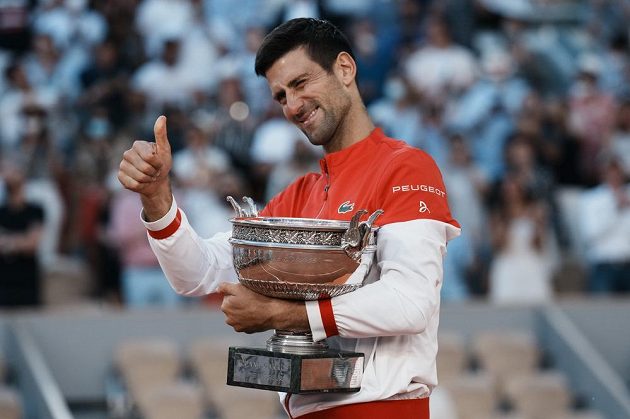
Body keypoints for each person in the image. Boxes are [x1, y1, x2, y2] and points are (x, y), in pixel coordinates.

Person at [118, 18, 460, 418]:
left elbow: (410, 302)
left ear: (345, 69)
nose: (293, 106)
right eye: (281, 96)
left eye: (301, 83)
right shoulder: (299, 195)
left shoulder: (405, 168)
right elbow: (198, 273)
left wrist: (286, 315)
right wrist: (158, 199)